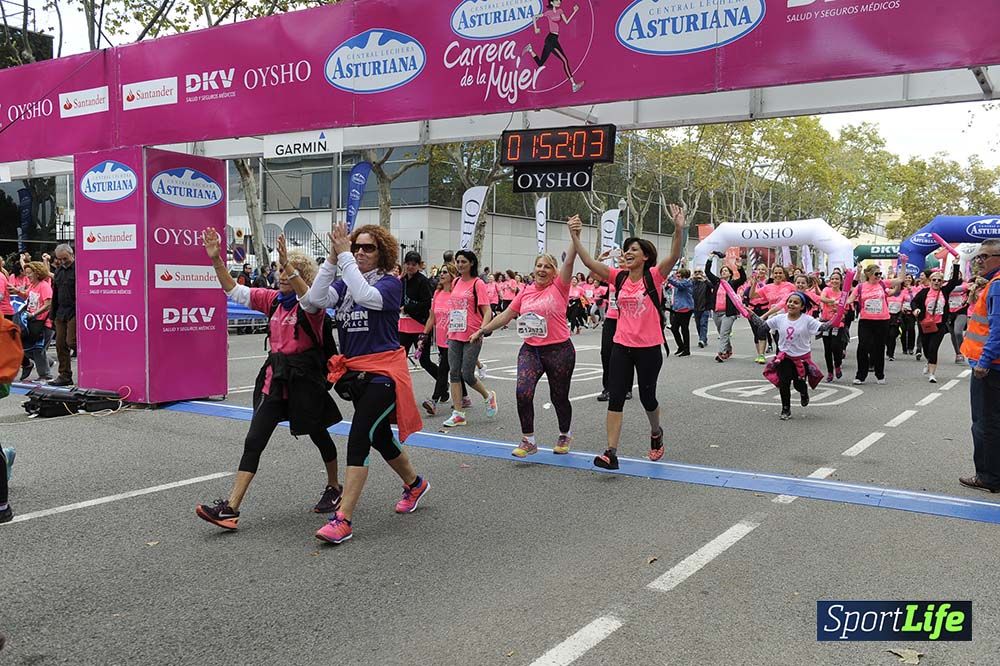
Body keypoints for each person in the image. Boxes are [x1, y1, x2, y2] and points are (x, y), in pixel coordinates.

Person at [196, 232, 343, 531]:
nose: (283, 275)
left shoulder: (311, 307)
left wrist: (289, 263)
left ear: (303, 277)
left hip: (304, 381)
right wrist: (216, 259)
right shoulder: (273, 300)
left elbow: (307, 297)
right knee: (254, 440)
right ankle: (231, 508)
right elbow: (234, 290)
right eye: (280, 269)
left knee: (318, 434)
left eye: (290, 271)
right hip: (274, 379)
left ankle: (334, 486)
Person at [307, 223, 428, 544]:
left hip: (385, 374)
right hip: (356, 373)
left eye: (368, 248)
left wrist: (344, 256)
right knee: (380, 437)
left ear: (382, 253)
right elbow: (313, 300)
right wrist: (332, 259)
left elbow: (366, 296)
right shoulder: (345, 282)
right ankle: (415, 484)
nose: (360, 252)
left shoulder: (390, 283)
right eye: (356, 247)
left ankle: (343, 519)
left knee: (359, 435)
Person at [569, 205, 686, 469]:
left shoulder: (654, 276)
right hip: (621, 346)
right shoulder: (618, 277)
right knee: (616, 397)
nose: (628, 253)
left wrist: (679, 228)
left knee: (647, 398)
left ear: (646, 256)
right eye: (626, 250)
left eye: (634, 249)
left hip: (649, 349)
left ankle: (656, 432)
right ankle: (610, 452)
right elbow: (589, 263)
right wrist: (575, 235)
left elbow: (675, 254)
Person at [471, 223, 579, 456]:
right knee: (523, 392)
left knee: (559, 396)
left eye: (547, 266)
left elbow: (570, 261)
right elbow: (507, 314)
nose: (542, 270)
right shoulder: (526, 290)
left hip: (559, 350)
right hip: (531, 350)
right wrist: (483, 330)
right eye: (539, 265)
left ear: (555, 272)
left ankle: (565, 433)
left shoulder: (560, 287)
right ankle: (528, 440)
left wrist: (574, 237)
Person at [756, 291, 843, 420]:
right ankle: (786, 409)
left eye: (796, 303)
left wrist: (837, 317)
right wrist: (750, 314)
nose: (791, 304)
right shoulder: (780, 318)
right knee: (784, 383)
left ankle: (803, 392)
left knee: (798, 384)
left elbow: (823, 327)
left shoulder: (807, 320)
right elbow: (762, 325)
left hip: (801, 359)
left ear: (802, 307)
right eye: (790, 302)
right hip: (784, 357)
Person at [958, 240, 1000, 493]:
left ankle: (988, 476)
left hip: (991, 367)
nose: (979, 261)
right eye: (978, 257)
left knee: (985, 423)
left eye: (985, 256)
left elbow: (997, 330)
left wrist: (983, 362)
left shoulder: (997, 285)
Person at [442, 250, 499, 427]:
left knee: (467, 374)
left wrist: (481, 331)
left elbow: (487, 310)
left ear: (471, 263)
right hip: (454, 333)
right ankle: (458, 414)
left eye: (463, 262)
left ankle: (488, 396)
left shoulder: (478, 283)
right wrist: (448, 327)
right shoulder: (456, 281)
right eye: (458, 261)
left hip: (473, 334)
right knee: (454, 373)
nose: (460, 265)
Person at [420, 263, 469, 416]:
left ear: (452, 275)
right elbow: (432, 317)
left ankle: (433, 401)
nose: (441, 275)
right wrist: (424, 335)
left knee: (443, 369)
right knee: (454, 369)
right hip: (440, 339)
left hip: (454, 338)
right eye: (441, 272)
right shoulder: (437, 293)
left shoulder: (457, 294)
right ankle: (465, 397)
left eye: (445, 272)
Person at [847, 264, 904, 385]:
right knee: (863, 347)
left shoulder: (882, 284)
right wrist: (838, 302)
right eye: (876, 274)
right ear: (868, 274)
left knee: (879, 347)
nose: (879, 276)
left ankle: (880, 374)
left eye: (880, 274)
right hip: (866, 321)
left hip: (882, 320)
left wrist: (903, 264)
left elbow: (900, 279)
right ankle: (860, 375)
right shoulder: (861, 287)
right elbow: (850, 299)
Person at [911, 265, 962, 384]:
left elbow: (954, 280)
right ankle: (929, 361)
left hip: (939, 325)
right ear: (930, 281)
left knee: (933, 348)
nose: (936, 282)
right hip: (925, 324)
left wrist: (955, 264)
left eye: (939, 280)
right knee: (926, 348)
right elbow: (914, 302)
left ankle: (932, 374)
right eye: (934, 280)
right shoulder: (924, 292)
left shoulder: (944, 291)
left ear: (942, 282)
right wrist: (915, 310)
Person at [523, 0, 584, 93]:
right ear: (551, 2)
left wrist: (574, 11)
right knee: (565, 60)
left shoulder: (560, 11)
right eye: (556, 0)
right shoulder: (548, 13)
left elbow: (567, 22)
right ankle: (573, 85)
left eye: (559, 0)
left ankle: (530, 49)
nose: (559, 2)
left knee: (540, 63)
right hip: (551, 39)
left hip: (553, 39)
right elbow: (534, 17)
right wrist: (536, 28)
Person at [596, 254, 632, 403]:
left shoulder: (633, 275)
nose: (621, 260)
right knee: (606, 353)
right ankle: (608, 388)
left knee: (627, 354)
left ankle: (627, 387)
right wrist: (599, 260)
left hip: (626, 319)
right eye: (620, 259)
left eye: (624, 258)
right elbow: (594, 275)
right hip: (611, 318)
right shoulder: (613, 274)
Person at [398, 251, 437, 382]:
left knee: (424, 361)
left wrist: (407, 308)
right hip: (403, 327)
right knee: (399, 359)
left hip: (420, 326)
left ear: (419, 266)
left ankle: (442, 383)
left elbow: (427, 303)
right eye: (408, 264)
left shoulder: (423, 281)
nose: (410, 267)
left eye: (413, 264)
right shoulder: (402, 280)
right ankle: (400, 387)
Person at [704, 252, 745, 362]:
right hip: (717, 312)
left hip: (729, 313)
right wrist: (710, 259)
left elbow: (743, 278)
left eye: (726, 271)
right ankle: (728, 349)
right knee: (722, 333)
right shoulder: (717, 282)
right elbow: (707, 272)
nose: (723, 272)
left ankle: (721, 353)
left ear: (730, 274)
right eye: (722, 271)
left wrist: (740, 267)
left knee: (724, 333)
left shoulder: (733, 283)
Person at [17, 261, 54, 383]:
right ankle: (48, 362)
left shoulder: (44, 286)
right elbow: (26, 296)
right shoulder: (33, 285)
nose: (27, 276)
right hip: (33, 322)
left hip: (44, 323)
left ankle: (45, 375)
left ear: (37, 273)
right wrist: (16, 291)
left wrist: (34, 314)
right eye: (26, 273)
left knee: (38, 348)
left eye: (30, 273)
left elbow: (48, 304)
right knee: (29, 348)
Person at [750, 264, 795, 361]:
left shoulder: (790, 286)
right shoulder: (767, 287)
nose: (778, 275)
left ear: (784, 274)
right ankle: (782, 360)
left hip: (787, 317)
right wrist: (754, 283)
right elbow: (752, 296)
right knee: (778, 341)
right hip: (773, 317)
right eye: (776, 273)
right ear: (772, 274)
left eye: (780, 273)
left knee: (781, 340)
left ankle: (782, 361)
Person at [48, 244, 76, 387]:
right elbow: (55, 294)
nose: (63, 261)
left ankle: (92, 366)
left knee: (71, 341)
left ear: (72, 255)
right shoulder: (59, 271)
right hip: (61, 311)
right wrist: (52, 314)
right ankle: (64, 375)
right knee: (60, 344)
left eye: (65, 258)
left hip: (75, 310)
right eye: (60, 259)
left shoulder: (79, 269)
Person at [818, 272, 846, 382]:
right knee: (827, 349)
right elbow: (822, 298)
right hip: (826, 323)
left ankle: (837, 365)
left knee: (836, 347)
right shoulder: (826, 290)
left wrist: (838, 310)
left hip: (838, 324)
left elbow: (845, 309)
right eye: (832, 279)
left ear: (841, 281)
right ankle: (830, 372)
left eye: (837, 279)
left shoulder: (843, 294)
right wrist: (833, 301)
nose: (834, 281)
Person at [746, 263, 774, 362]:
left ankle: (762, 354)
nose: (760, 271)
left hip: (764, 309)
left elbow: (770, 294)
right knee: (755, 332)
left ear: (766, 271)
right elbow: (748, 295)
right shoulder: (751, 281)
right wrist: (754, 282)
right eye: (758, 269)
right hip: (752, 309)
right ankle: (759, 353)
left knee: (762, 330)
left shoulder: (769, 282)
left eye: (763, 269)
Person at [667, 268, 695, 356]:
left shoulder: (686, 282)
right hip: (678, 309)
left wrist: (669, 277)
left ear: (683, 275)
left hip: (685, 309)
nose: (677, 275)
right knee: (674, 328)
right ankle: (681, 346)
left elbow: (678, 284)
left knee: (684, 329)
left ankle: (686, 349)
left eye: (679, 274)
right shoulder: (680, 282)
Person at [692, 267, 714, 349]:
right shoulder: (692, 282)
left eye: (699, 272)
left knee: (703, 324)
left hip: (705, 307)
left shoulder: (706, 281)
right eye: (696, 272)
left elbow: (713, 286)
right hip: (695, 307)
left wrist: (704, 280)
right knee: (698, 325)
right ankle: (703, 339)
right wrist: (691, 278)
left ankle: (702, 340)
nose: (698, 273)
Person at [899, 273, 917, 355]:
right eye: (906, 278)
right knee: (903, 330)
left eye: (909, 278)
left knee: (911, 329)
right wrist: (901, 308)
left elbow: (916, 300)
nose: (908, 279)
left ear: (912, 280)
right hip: (903, 312)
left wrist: (910, 290)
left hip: (911, 312)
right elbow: (898, 300)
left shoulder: (915, 289)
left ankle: (911, 347)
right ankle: (904, 348)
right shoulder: (901, 289)